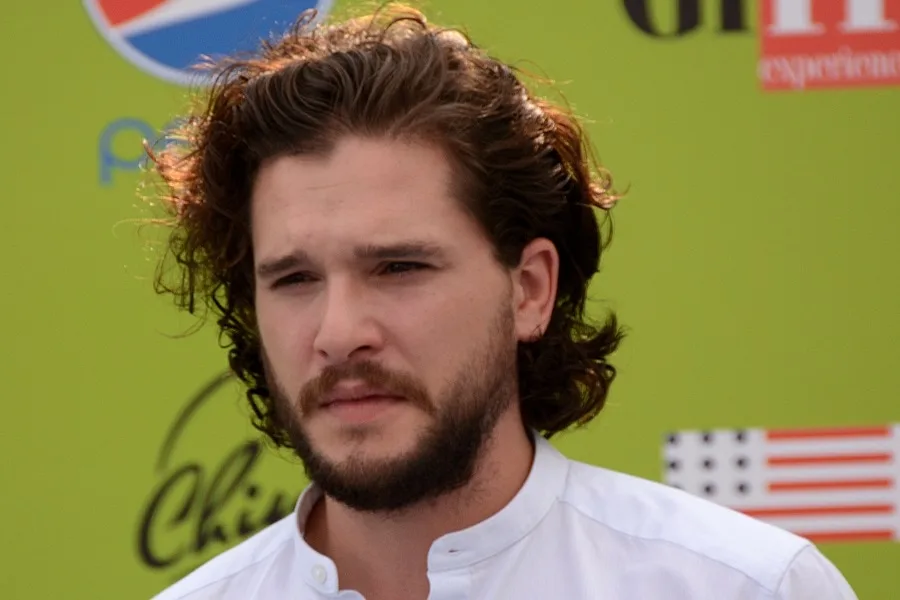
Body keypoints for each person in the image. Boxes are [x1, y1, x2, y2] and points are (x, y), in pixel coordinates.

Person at [146, 5, 858, 599]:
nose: (338, 333)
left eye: (398, 266)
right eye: (295, 280)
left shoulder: (744, 589)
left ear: (530, 290)